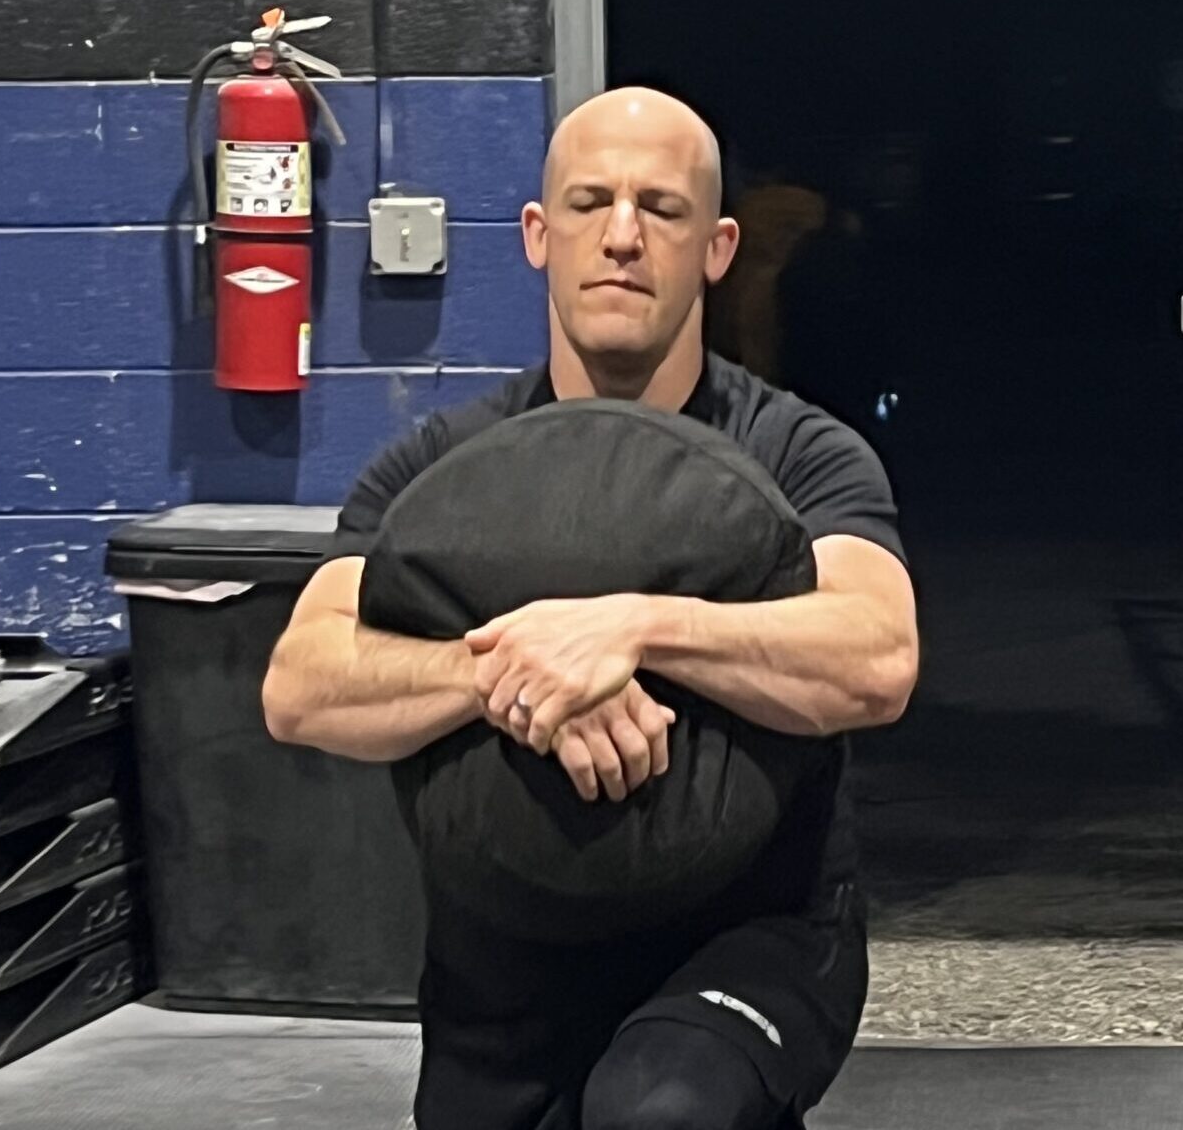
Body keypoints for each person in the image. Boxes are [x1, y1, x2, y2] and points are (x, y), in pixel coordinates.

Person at [261, 87, 920, 1130]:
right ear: (538, 234)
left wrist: (631, 627)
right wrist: (509, 668)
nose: (621, 236)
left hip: (752, 932)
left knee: (659, 1112)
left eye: (661, 208)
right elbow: (301, 684)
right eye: (589, 202)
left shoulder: (800, 455)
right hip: (507, 951)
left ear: (717, 247)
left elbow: (876, 655)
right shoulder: (437, 471)